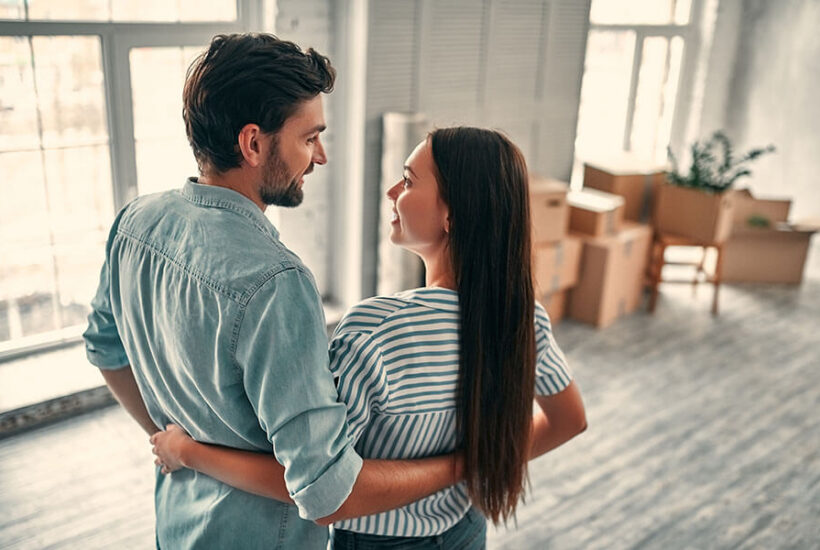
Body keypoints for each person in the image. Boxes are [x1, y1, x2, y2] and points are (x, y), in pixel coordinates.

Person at [82, 33, 463, 550]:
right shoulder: (276, 283)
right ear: (254, 144)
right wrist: (459, 465)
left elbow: (105, 350)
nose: (321, 156)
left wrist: (172, 437)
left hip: (177, 525)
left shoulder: (135, 222)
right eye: (309, 138)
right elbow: (328, 490)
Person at [150, 127, 588, 548]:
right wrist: (477, 462)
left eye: (409, 180)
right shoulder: (522, 316)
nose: (392, 191)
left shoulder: (376, 330)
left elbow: (318, 487)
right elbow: (570, 420)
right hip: (465, 528)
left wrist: (188, 452)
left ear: (452, 213)